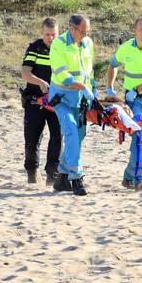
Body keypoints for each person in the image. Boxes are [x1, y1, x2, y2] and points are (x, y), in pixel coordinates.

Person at [104, 17, 142, 191]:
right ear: (135, 31)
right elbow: (112, 65)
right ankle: (141, 178)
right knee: (141, 135)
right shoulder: (126, 48)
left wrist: (138, 88)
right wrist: (110, 88)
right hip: (134, 102)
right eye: (141, 29)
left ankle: (128, 177)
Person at [48, 14, 97, 196]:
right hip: (62, 97)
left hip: (81, 100)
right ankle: (76, 178)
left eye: (87, 32)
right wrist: (82, 86)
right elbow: (62, 74)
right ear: (71, 28)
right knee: (70, 131)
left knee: (78, 135)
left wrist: (93, 90)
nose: (85, 35)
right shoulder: (58, 45)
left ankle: (61, 177)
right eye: (82, 32)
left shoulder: (87, 44)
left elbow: (89, 71)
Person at [20, 18, 62, 184]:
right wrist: (40, 83)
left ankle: (52, 174)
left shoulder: (63, 50)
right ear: (41, 33)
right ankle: (32, 172)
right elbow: (25, 73)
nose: (51, 38)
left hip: (57, 102)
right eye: (47, 34)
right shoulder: (35, 48)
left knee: (57, 137)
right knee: (32, 139)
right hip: (35, 101)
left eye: (54, 34)